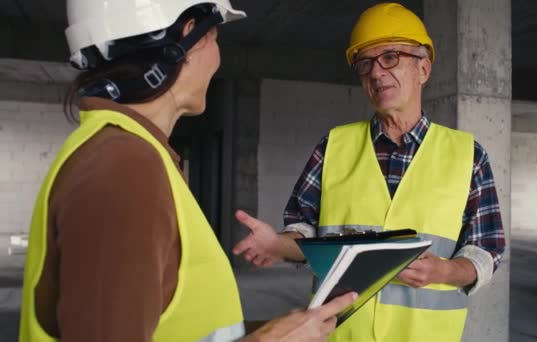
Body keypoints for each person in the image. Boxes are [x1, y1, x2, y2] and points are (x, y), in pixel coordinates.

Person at [18, 1, 356, 341]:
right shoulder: (124, 167)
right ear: (187, 39)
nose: (218, 58)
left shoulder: (130, 155)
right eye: (214, 36)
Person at [232, 2, 506, 341]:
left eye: (390, 57)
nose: (376, 73)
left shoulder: (468, 156)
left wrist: (446, 270)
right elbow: (307, 233)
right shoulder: (333, 146)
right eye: (365, 63)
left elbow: (486, 250)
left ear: (424, 69)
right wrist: (278, 243)